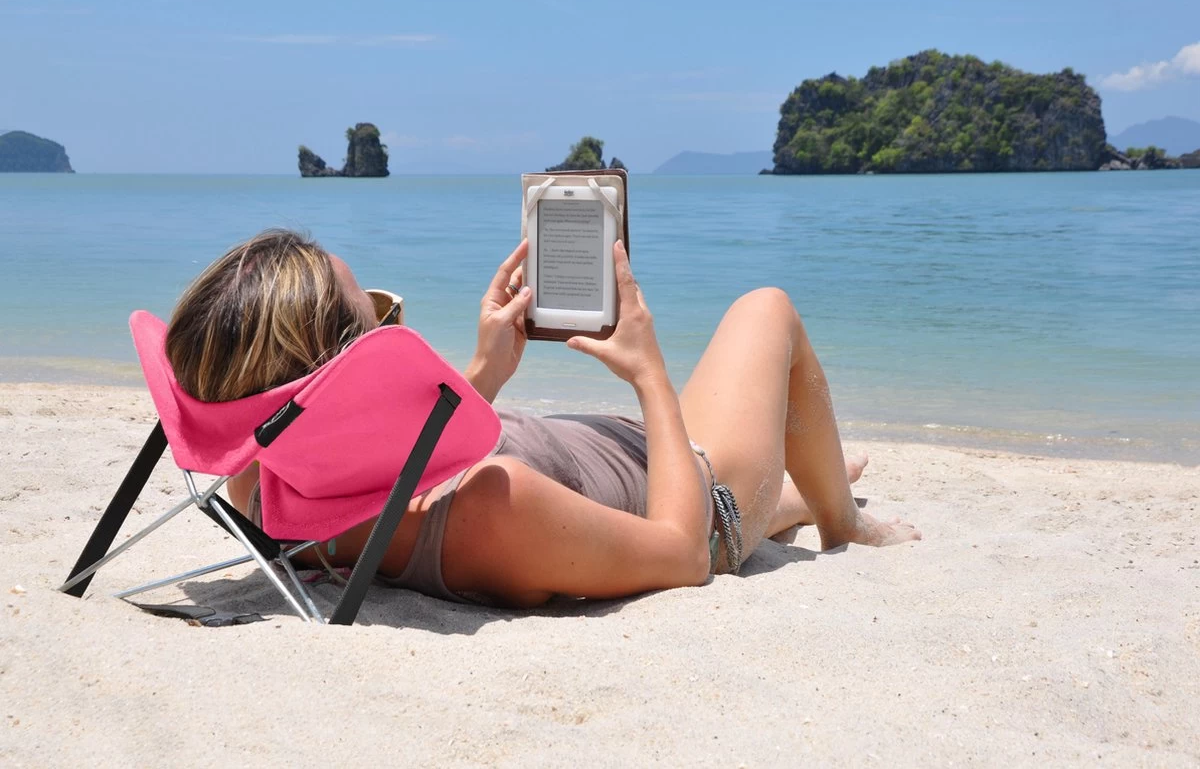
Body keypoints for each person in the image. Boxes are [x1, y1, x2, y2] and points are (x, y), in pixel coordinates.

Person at [166, 229, 919, 608]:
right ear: (352, 378)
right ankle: (839, 519)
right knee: (767, 309)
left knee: (772, 461)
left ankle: (800, 491)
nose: (399, 327)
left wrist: (485, 373)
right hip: (697, 492)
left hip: (611, 460)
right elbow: (683, 555)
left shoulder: (264, 484)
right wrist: (648, 372)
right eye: (386, 321)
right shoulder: (492, 508)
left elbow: (362, 453)